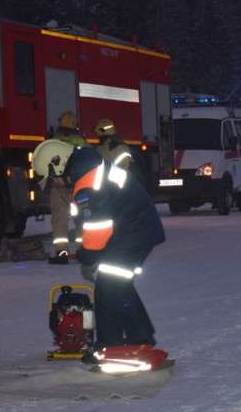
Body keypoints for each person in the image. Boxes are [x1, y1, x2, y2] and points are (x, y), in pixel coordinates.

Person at [63, 146, 165, 353]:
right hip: (135, 231)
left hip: (133, 233)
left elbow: (98, 227)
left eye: (52, 178)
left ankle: (109, 345)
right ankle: (140, 337)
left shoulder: (87, 184)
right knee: (119, 284)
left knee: (108, 287)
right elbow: (91, 224)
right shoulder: (93, 169)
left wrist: (88, 257)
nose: (54, 183)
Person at [47, 111, 89, 265]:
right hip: (79, 187)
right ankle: (81, 251)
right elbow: (90, 162)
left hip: (58, 187)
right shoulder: (82, 143)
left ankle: (62, 253)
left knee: (59, 220)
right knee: (82, 220)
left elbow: (44, 164)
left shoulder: (53, 142)